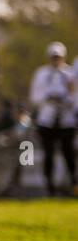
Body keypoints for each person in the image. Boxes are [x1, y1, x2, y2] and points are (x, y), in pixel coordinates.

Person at [29, 42, 76, 195]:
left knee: (68, 154)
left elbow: (75, 96)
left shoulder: (70, 74)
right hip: (47, 120)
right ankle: (50, 187)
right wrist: (49, 99)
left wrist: (65, 100)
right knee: (48, 154)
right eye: (53, 57)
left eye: (58, 57)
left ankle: (73, 185)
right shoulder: (42, 74)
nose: (56, 60)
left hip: (66, 120)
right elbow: (35, 97)